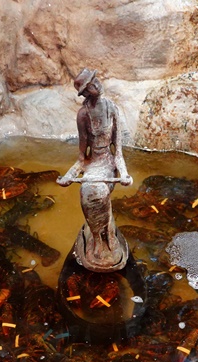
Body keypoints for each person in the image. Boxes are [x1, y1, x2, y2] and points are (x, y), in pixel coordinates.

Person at [58, 68, 132, 272]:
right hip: (92, 165)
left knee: (98, 192)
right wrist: (69, 176)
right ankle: (98, 238)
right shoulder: (83, 115)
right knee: (87, 192)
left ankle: (108, 234)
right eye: (91, 84)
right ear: (85, 92)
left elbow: (118, 154)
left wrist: (124, 174)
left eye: (95, 80)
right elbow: (82, 158)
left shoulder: (111, 108)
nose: (97, 84)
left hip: (108, 164)